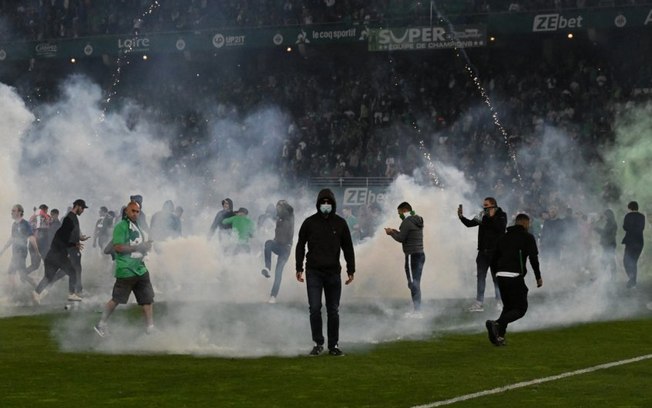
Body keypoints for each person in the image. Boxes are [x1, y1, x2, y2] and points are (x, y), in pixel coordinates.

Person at [296, 188, 355, 356]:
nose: (326, 205)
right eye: (323, 202)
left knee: (333, 310)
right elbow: (300, 245)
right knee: (315, 308)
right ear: (318, 204)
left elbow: (348, 248)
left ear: (334, 204)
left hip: (333, 273)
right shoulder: (309, 223)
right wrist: (298, 267)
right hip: (313, 272)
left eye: (329, 202)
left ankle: (333, 345)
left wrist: (351, 269)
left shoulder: (341, 223)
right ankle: (317, 343)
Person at [94, 201, 155, 337]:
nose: (135, 214)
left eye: (137, 212)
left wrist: (146, 248)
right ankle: (101, 324)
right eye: (132, 211)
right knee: (116, 299)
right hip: (126, 270)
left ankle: (150, 328)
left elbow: (138, 245)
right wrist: (139, 247)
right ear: (126, 211)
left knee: (147, 299)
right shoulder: (120, 227)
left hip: (140, 268)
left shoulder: (137, 227)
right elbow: (118, 247)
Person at [486, 213, 543, 346]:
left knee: (509, 307)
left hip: (501, 276)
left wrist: (495, 274)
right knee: (520, 308)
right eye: (528, 224)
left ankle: (499, 336)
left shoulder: (503, 237)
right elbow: (533, 258)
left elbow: (493, 259)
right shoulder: (528, 237)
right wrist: (538, 277)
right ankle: (496, 324)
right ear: (524, 223)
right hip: (514, 275)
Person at [32, 199, 89, 303]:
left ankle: (36, 293)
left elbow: (63, 236)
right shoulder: (70, 219)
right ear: (78, 206)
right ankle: (72, 294)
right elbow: (60, 237)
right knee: (72, 272)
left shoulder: (70, 218)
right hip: (58, 254)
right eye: (83, 208)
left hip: (52, 254)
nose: (83, 211)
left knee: (48, 277)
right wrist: (70, 246)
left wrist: (77, 240)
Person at [458, 197, 507, 312]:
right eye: (484, 205)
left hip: (496, 252)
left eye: (486, 205)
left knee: (497, 278)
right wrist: (461, 217)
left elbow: (500, 228)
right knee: (480, 277)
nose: (484, 207)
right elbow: (470, 224)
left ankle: (499, 301)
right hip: (483, 252)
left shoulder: (501, 215)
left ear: (493, 205)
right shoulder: (482, 215)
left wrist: (491, 216)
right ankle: (479, 302)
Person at [384, 202, 425, 317]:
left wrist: (391, 233)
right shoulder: (418, 219)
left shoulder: (406, 222)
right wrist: (395, 231)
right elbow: (407, 235)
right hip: (420, 254)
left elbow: (401, 238)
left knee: (413, 283)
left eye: (399, 213)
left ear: (404, 210)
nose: (399, 215)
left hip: (411, 255)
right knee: (416, 282)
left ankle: (417, 311)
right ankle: (417, 309)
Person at [261, 200, 294, 304]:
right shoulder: (278, 218)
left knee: (278, 272)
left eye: (279, 207)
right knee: (268, 243)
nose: (277, 209)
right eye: (277, 207)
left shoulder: (290, 216)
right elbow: (272, 215)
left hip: (286, 249)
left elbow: (288, 210)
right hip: (278, 245)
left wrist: (283, 204)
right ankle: (267, 267)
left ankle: (273, 296)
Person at [1, 204, 41, 288]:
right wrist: (3, 249)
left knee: (14, 273)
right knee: (20, 275)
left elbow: (32, 238)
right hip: (15, 253)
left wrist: (37, 252)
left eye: (13, 211)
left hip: (21, 253)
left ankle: (38, 289)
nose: (11, 212)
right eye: (12, 211)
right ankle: (34, 288)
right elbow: (12, 238)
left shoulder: (25, 224)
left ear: (19, 212)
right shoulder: (14, 224)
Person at [622, 201, 645, 289]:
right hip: (639, 241)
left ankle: (632, 279)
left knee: (626, 261)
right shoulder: (642, 216)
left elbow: (625, 227)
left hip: (630, 241)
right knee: (633, 262)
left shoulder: (628, 216)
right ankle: (633, 281)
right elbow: (642, 228)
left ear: (630, 207)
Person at [594, 209, 617, 279]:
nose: (604, 217)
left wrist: (596, 229)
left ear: (608, 215)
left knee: (607, 259)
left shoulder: (611, 223)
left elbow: (605, 233)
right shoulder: (610, 223)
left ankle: (603, 276)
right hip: (609, 244)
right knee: (608, 259)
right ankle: (607, 276)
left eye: (605, 215)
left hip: (609, 244)